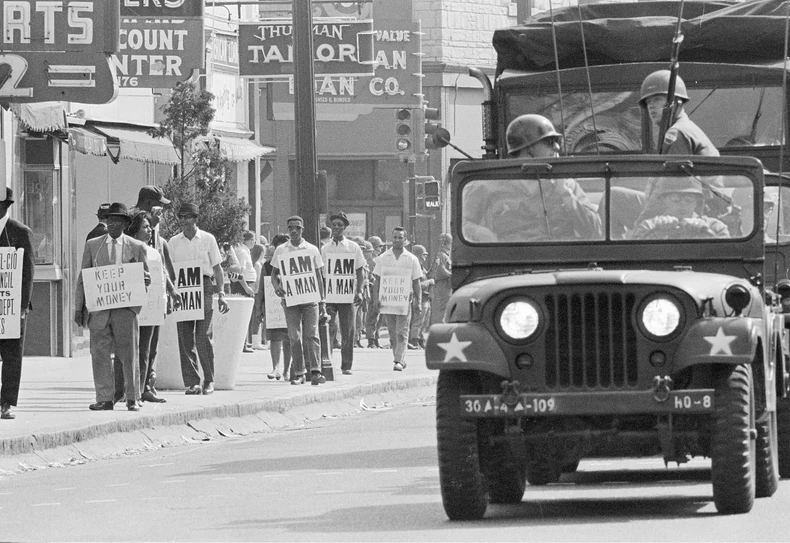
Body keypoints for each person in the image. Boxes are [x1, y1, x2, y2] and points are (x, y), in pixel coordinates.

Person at [468, 114, 601, 242]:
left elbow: (596, 232)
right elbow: (463, 221)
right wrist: (479, 232)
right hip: (512, 255)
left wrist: (567, 195)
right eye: (549, 142)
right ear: (529, 147)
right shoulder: (490, 184)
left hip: (561, 254)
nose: (557, 147)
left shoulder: (567, 184)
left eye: (556, 141)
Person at [74, 203, 150, 412]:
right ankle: (104, 398)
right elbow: (83, 277)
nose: (113, 224)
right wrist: (78, 307)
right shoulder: (93, 245)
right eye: (110, 220)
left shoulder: (136, 247)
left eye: (118, 220)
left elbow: (146, 278)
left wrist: (135, 305)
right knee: (99, 354)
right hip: (99, 310)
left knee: (129, 354)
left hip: (125, 310)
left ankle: (132, 397)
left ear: (125, 224)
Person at [167, 203, 230, 396]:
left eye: (187, 216)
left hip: (204, 286)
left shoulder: (208, 239)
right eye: (181, 217)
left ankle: (209, 380)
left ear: (196, 218)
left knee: (203, 336)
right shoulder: (173, 242)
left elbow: (217, 268)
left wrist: (221, 293)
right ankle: (192, 382)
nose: (183, 220)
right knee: (185, 337)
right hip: (182, 288)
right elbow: (168, 270)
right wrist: (170, 293)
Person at [126, 185, 178, 401]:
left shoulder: (153, 229)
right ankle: (133, 387)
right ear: (148, 204)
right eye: (159, 206)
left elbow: (160, 264)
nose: (161, 212)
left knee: (150, 344)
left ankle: (146, 384)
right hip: (134, 294)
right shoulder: (133, 221)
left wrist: (169, 291)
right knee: (136, 345)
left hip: (154, 295)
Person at [270, 216, 327, 386]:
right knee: (294, 336)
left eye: (297, 228)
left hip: (310, 298)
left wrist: (322, 300)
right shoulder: (281, 250)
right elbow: (274, 274)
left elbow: (319, 276)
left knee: (312, 334)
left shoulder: (312, 249)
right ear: (288, 230)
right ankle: (299, 372)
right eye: (291, 228)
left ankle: (316, 371)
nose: (294, 231)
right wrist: (276, 286)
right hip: (290, 298)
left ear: (302, 229)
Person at [0, 189, 35, 420]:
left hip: (11, 306)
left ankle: (6, 403)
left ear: (6, 206)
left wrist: (22, 307)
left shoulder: (20, 232)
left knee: (12, 355)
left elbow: (28, 272)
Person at [371, 227, 422, 372]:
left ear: (405, 240)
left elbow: (416, 282)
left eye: (400, 237)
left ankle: (398, 360)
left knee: (402, 331)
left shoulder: (411, 259)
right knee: (393, 334)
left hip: (404, 302)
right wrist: (375, 299)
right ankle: (400, 358)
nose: (397, 240)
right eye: (395, 237)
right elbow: (377, 280)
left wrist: (418, 301)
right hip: (387, 301)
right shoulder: (383, 258)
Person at [321, 211, 365, 375]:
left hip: (347, 295)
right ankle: (327, 362)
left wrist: (359, 291)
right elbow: (321, 273)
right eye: (334, 225)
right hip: (330, 295)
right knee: (329, 328)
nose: (336, 227)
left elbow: (360, 271)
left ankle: (346, 365)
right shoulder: (325, 249)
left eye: (340, 225)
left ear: (345, 227)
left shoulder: (353, 247)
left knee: (348, 330)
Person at [639, 70, 718, 157]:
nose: (651, 106)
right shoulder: (686, 128)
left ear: (676, 102)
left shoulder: (676, 132)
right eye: (648, 102)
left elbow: (674, 166)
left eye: (657, 99)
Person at [630, 178, 730, 240]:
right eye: (675, 198)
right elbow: (634, 255)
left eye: (689, 199)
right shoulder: (649, 226)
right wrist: (659, 232)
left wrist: (705, 233)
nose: (683, 203)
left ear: (698, 201)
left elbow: (727, 256)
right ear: (663, 199)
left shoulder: (715, 227)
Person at [256, 234, 291, 380]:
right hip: (273, 308)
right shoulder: (267, 266)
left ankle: (287, 370)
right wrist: (258, 308)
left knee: (290, 338)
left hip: (291, 306)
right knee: (275, 337)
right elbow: (261, 289)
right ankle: (275, 368)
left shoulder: (293, 263)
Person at [232, 231, 257, 352]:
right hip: (243, 285)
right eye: (253, 239)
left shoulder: (245, 251)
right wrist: (246, 287)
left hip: (247, 284)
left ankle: (245, 342)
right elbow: (239, 272)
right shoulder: (242, 252)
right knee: (244, 315)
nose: (254, 242)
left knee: (246, 315)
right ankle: (243, 343)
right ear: (248, 240)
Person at [408, 244, 432, 350]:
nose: (425, 257)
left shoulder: (422, 268)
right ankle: (414, 340)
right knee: (418, 321)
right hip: (418, 298)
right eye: (423, 255)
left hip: (425, 298)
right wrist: (429, 282)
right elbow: (416, 285)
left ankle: (421, 339)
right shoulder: (414, 268)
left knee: (424, 322)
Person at [363, 240, 384, 348]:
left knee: (378, 317)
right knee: (372, 317)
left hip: (378, 291)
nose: (381, 249)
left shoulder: (377, 261)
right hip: (372, 292)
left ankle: (375, 339)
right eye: (379, 246)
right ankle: (371, 340)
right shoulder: (372, 262)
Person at [429, 233, 453, 327]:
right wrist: (452, 274)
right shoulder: (442, 255)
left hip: (445, 287)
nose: (450, 245)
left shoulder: (444, 255)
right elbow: (440, 271)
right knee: (442, 310)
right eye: (449, 243)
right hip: (442, 287)